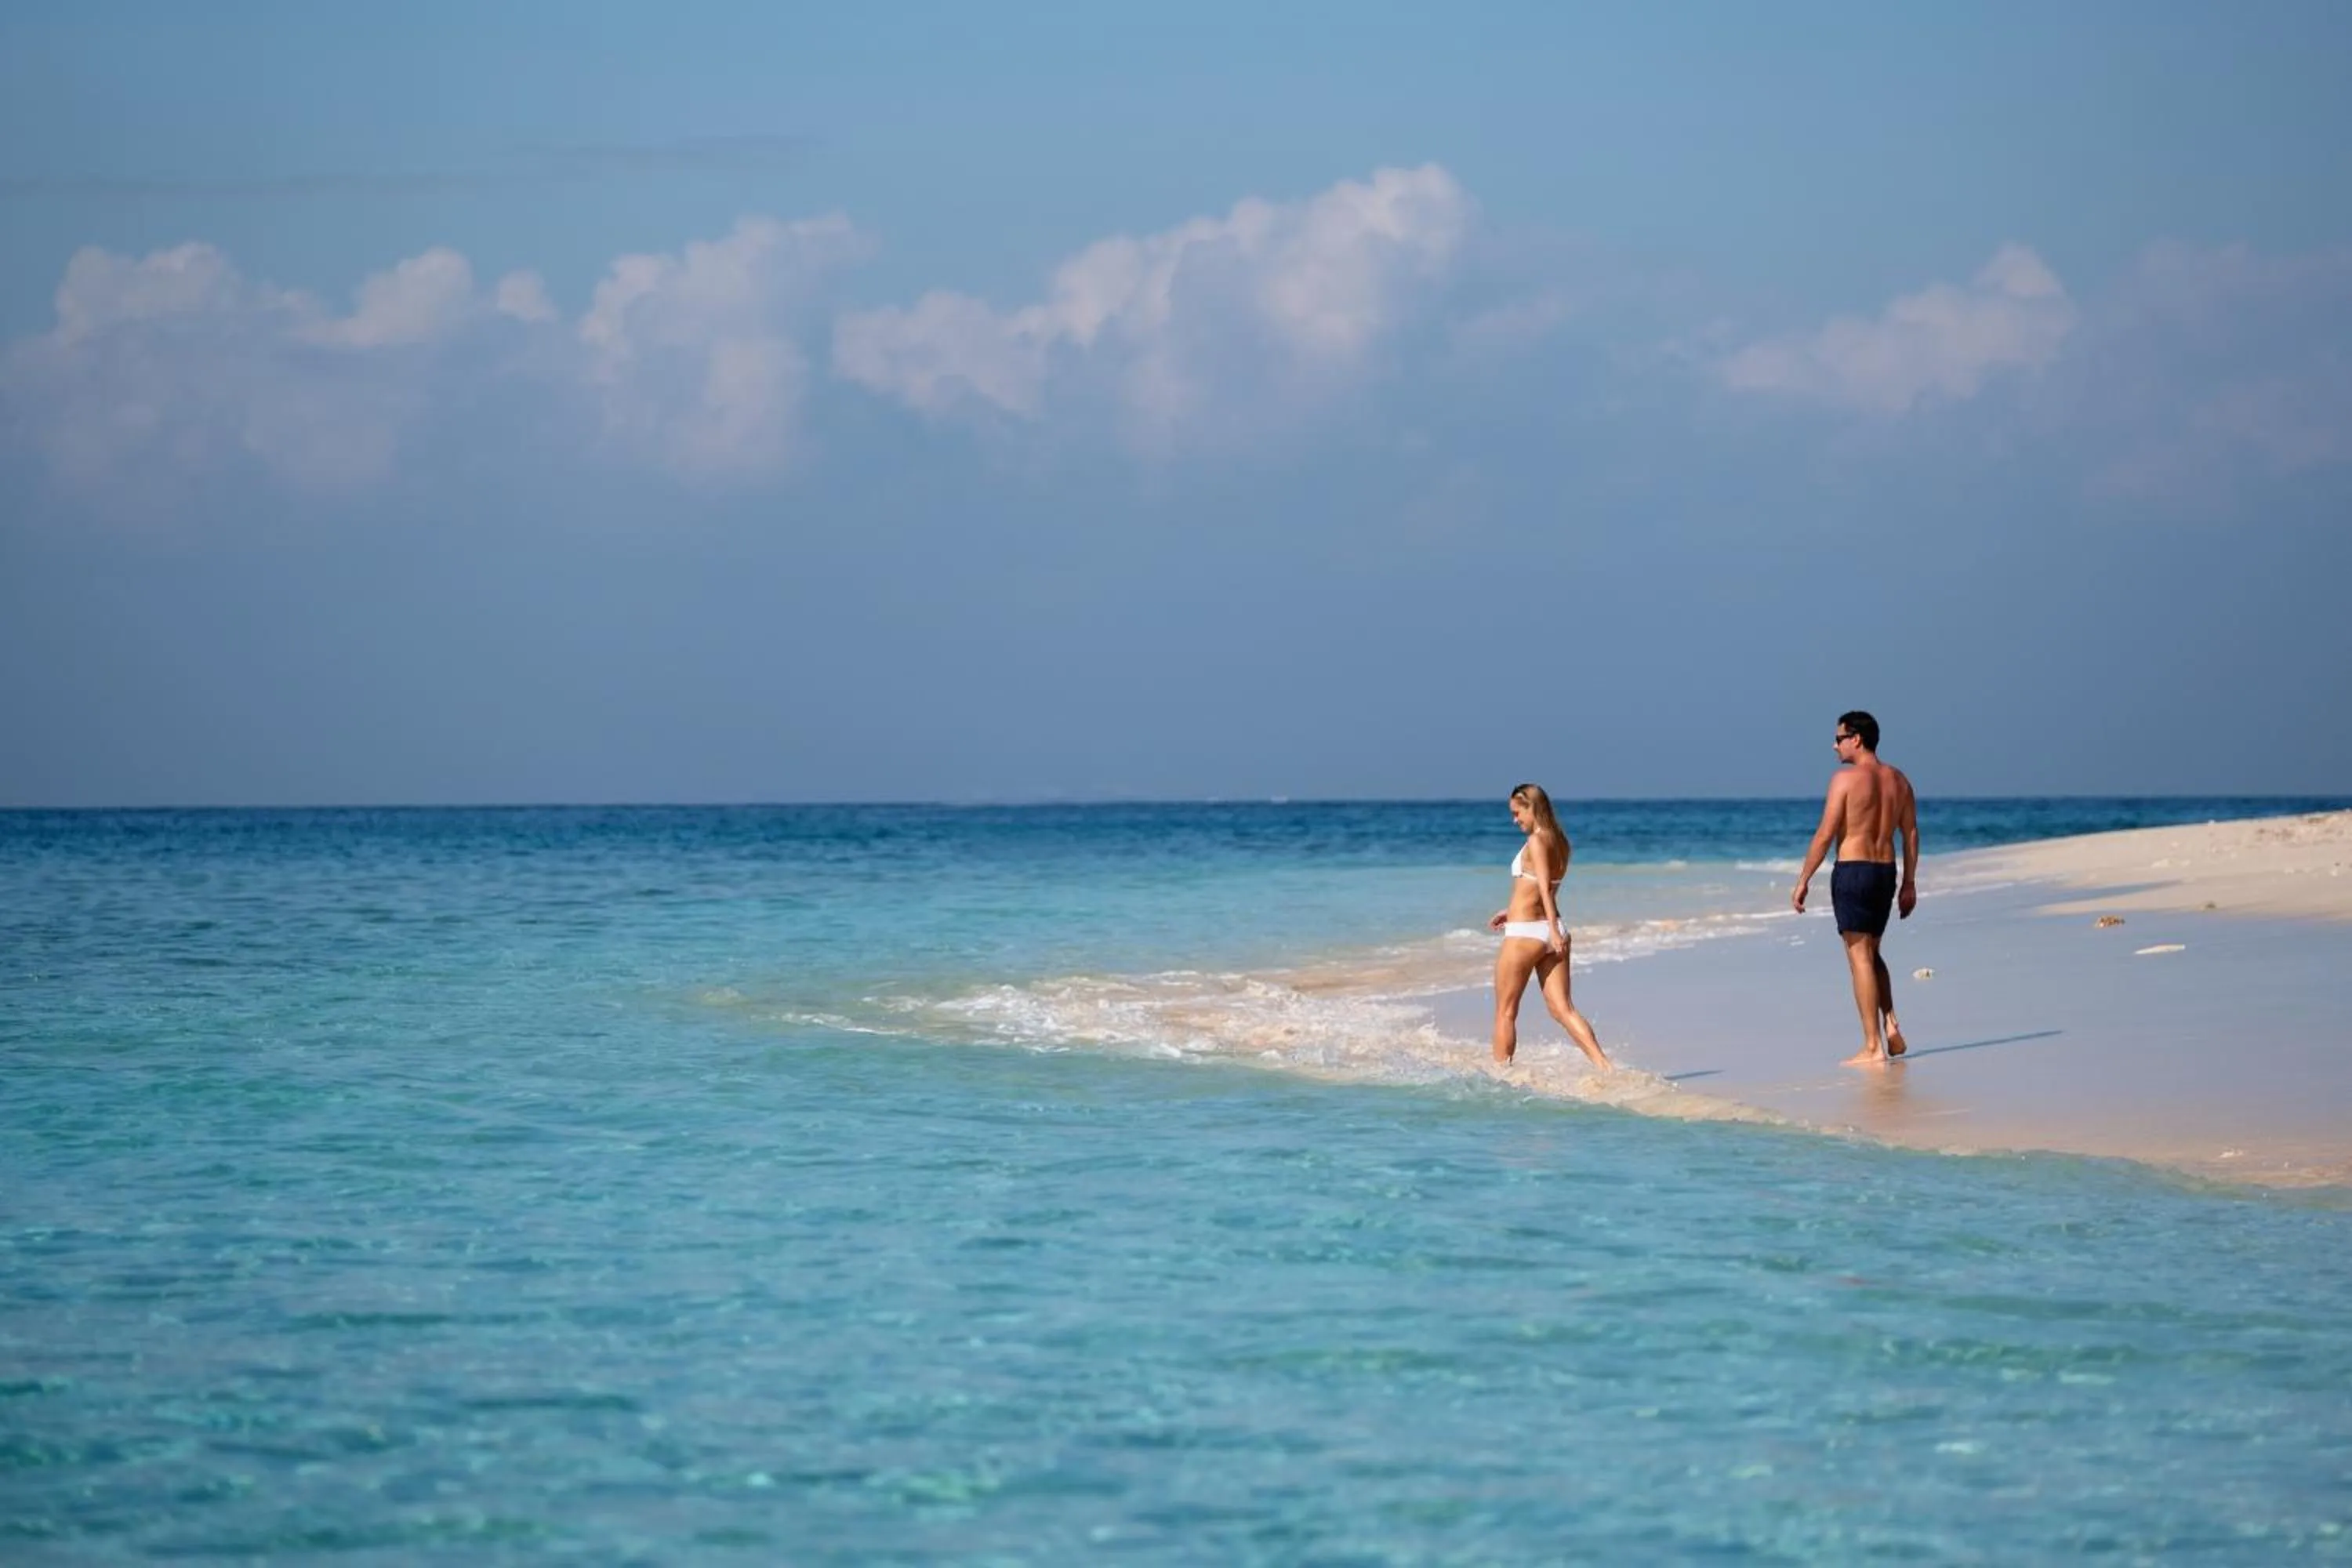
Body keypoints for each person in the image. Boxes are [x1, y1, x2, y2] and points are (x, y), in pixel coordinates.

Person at [1791, 710, 1918, 1067]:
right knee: (1872, 953)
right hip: (1885, 873)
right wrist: (1909, 882)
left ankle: (1872, 1046)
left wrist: (1803, 880)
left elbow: (1825, 834)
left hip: (1854, 872)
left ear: (1856, 739)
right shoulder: (1899, 781)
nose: (1835, 745)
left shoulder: (1845, 779)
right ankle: (1890, 1022)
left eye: (1839, 738)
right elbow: (1910, 832)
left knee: (1859, 957)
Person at [1488, 783, 1614, 1072]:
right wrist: (1514, 912)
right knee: (1563, 1009)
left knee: (1505, 1013)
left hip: (1527, 934)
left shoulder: (1536, 840)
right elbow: (1543, 885)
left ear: (1532, 808)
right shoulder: (1561, 840)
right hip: (1552, 926)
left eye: (1517, 813)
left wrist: (1544, 928)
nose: (1514, 820)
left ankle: (1500, 1080)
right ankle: (1605, 1068)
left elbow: (1543, 887)